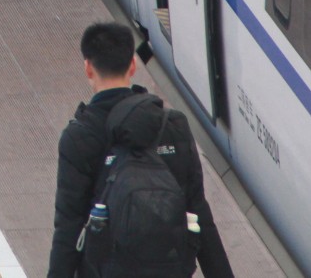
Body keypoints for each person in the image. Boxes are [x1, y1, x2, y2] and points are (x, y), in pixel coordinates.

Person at [47, 22, 234, 278]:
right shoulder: (173, 125)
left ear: (88, 68)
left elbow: (68, 226)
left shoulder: (79, 136)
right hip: (170, 268)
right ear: (133, 65)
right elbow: (198, 211)